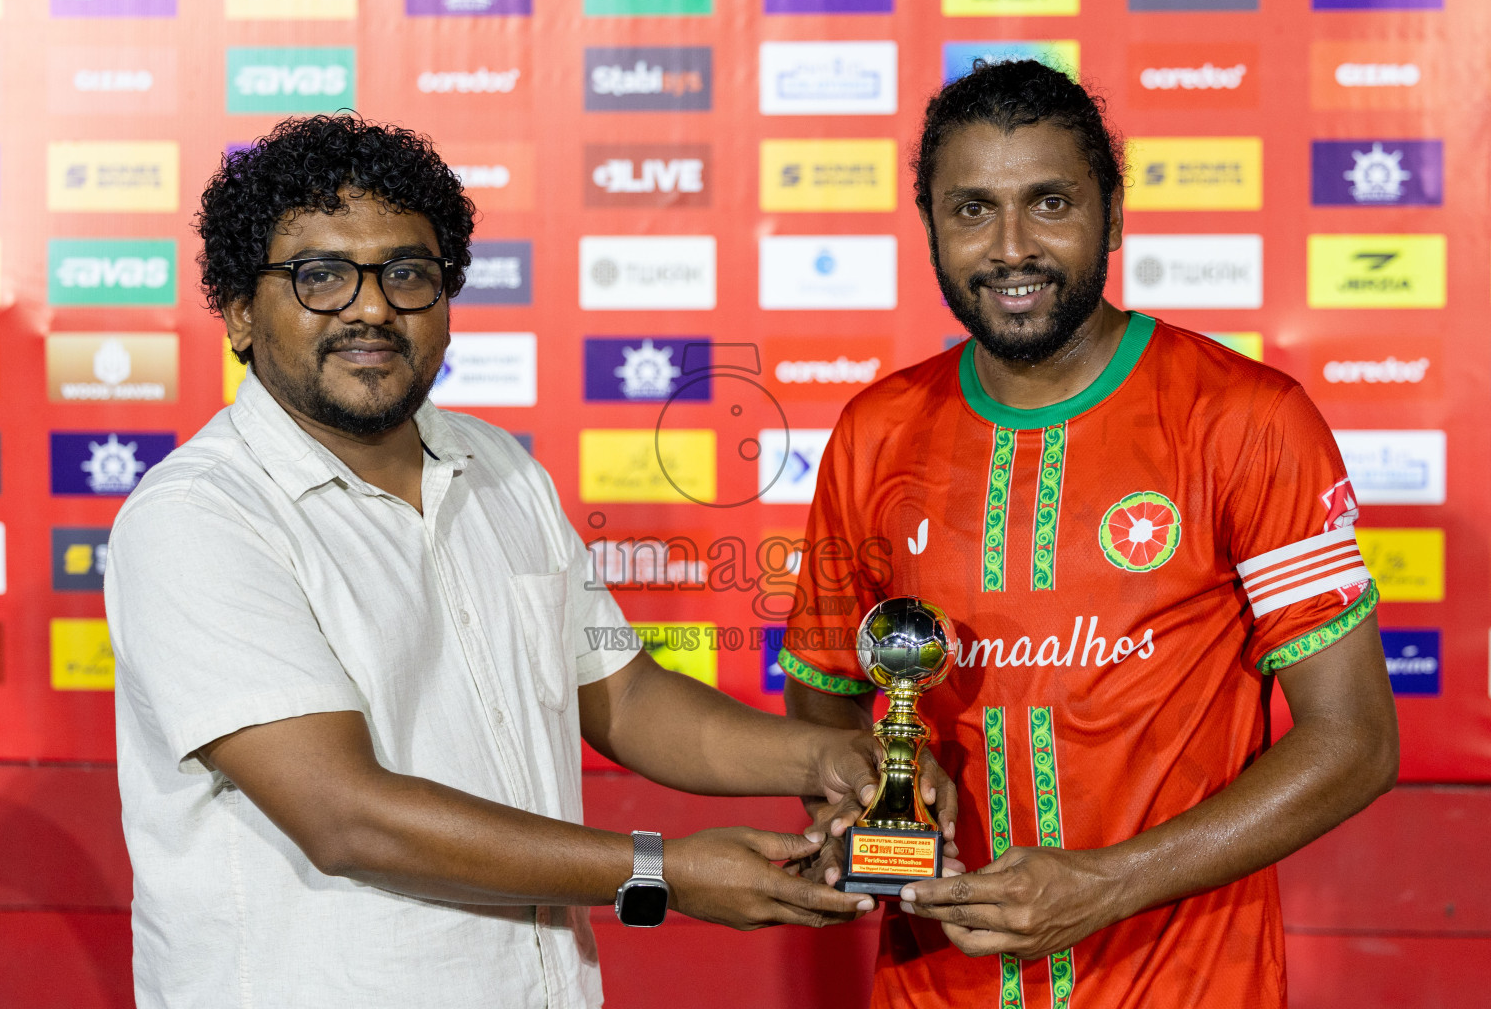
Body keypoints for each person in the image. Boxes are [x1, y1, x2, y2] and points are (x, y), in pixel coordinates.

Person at [105, 114, 951, 1009]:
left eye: (406, 272)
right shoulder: (200, 517)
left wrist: (833, 757)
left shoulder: (501, 469)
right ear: (239, 311)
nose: (370, 306)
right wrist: (664, 871)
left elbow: (623, 697)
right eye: (319, 276)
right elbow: (344, 815)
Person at [781, 61, 1399, 1008]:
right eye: (973, 210)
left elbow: (1353, 740)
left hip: (1188, 983)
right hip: (935, 984)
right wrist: (872, 797)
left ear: (1111, 214)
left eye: (1051, 202)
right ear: (932, 229)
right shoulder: (875, 432)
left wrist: (1106, 885)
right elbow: (825, 701)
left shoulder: (1246, 418)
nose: (1012, 247)